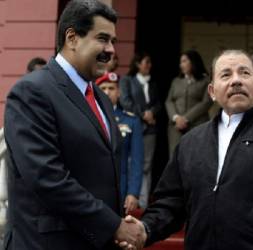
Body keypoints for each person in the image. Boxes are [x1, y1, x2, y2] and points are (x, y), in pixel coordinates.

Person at [120, 49, 253, 250]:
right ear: (212, 92)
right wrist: (146, 228)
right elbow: (171, 201)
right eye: (226, 75)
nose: (236, 80)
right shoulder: (191, 142)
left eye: (245, 73)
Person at [3, 1, 145, 250]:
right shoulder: (32, 92)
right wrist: (113, 225)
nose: (110, 50)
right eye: (102, 39)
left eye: (112, 41)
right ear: (72, 38)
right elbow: (46, 177)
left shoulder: (101, 98)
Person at [96, 72, 144, 215]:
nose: (107, 92)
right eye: (103, 88)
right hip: (91, 191)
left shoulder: (132, 121)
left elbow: (136, 160)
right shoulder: (86, 117)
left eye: (111, 88)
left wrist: (133, 192)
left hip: (119, 190)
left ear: (118, 92)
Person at [119, 52, 161, 209]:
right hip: (132, 127)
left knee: (146, 165)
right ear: (137, 64)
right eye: (146, 62)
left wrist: (152, 113)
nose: (149, 65)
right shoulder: (127, 80)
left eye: (150, 63)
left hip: (150, 129)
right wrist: (143, 114)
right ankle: (129, 197)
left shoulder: (153, 83)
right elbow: (125, 101)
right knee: (130, 163)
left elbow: (158, 104)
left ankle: (142, 202)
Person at [165, 49, 212, 157]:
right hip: (176, 128)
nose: (181, 65)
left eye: (184, 61)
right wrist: (176, 118)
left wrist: (185, 118)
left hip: (197, 126)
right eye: (181, 62)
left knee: (196, 157)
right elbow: (169, 101)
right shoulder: (176, 81)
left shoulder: (206, 81)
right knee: (175, 158)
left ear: (193, 62)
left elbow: (206, 102)